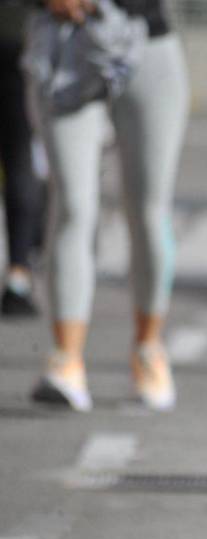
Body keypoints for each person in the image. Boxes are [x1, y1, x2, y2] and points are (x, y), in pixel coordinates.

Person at [26, 0, 189, 412]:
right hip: (66, 42)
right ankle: (66, 360)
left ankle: (148, 349)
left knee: (148, 207)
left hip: (148, 40)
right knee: (74, 205)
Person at [0, 0, 47, 317]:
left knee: (19, 163)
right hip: (18, 41)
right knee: (19, 163)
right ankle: (18, 274)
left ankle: (19, 274)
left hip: (18, 43)